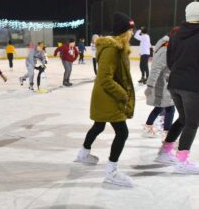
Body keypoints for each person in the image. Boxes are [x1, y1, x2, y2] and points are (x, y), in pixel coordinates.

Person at [74, 12, 135, 187]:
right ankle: (111, 171)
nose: (132, 33)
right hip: (109, 97)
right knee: (122, 132)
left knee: (99, 125)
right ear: (124, 32)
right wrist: (123, 94)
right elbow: (105, 78)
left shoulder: (118, 48)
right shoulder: (112, 50)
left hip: (104, 96)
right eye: (130, 30)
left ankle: (83, 154)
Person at [156, 2, 199, 173]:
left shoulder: (176, 35)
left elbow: (170, 61)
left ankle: (165, 151)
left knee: (183, 119)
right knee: (192, 122)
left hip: (175, 84)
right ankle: (182, 160)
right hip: (192, 86)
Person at [143, 27, 180, 140]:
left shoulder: (166, 44)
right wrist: (150, 85)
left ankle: (148, 127)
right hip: (161, 84)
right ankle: (167, 132)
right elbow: (156, 68)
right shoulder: (166, 48)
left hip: (164, 82)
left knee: (159, 107)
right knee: (170, 108)